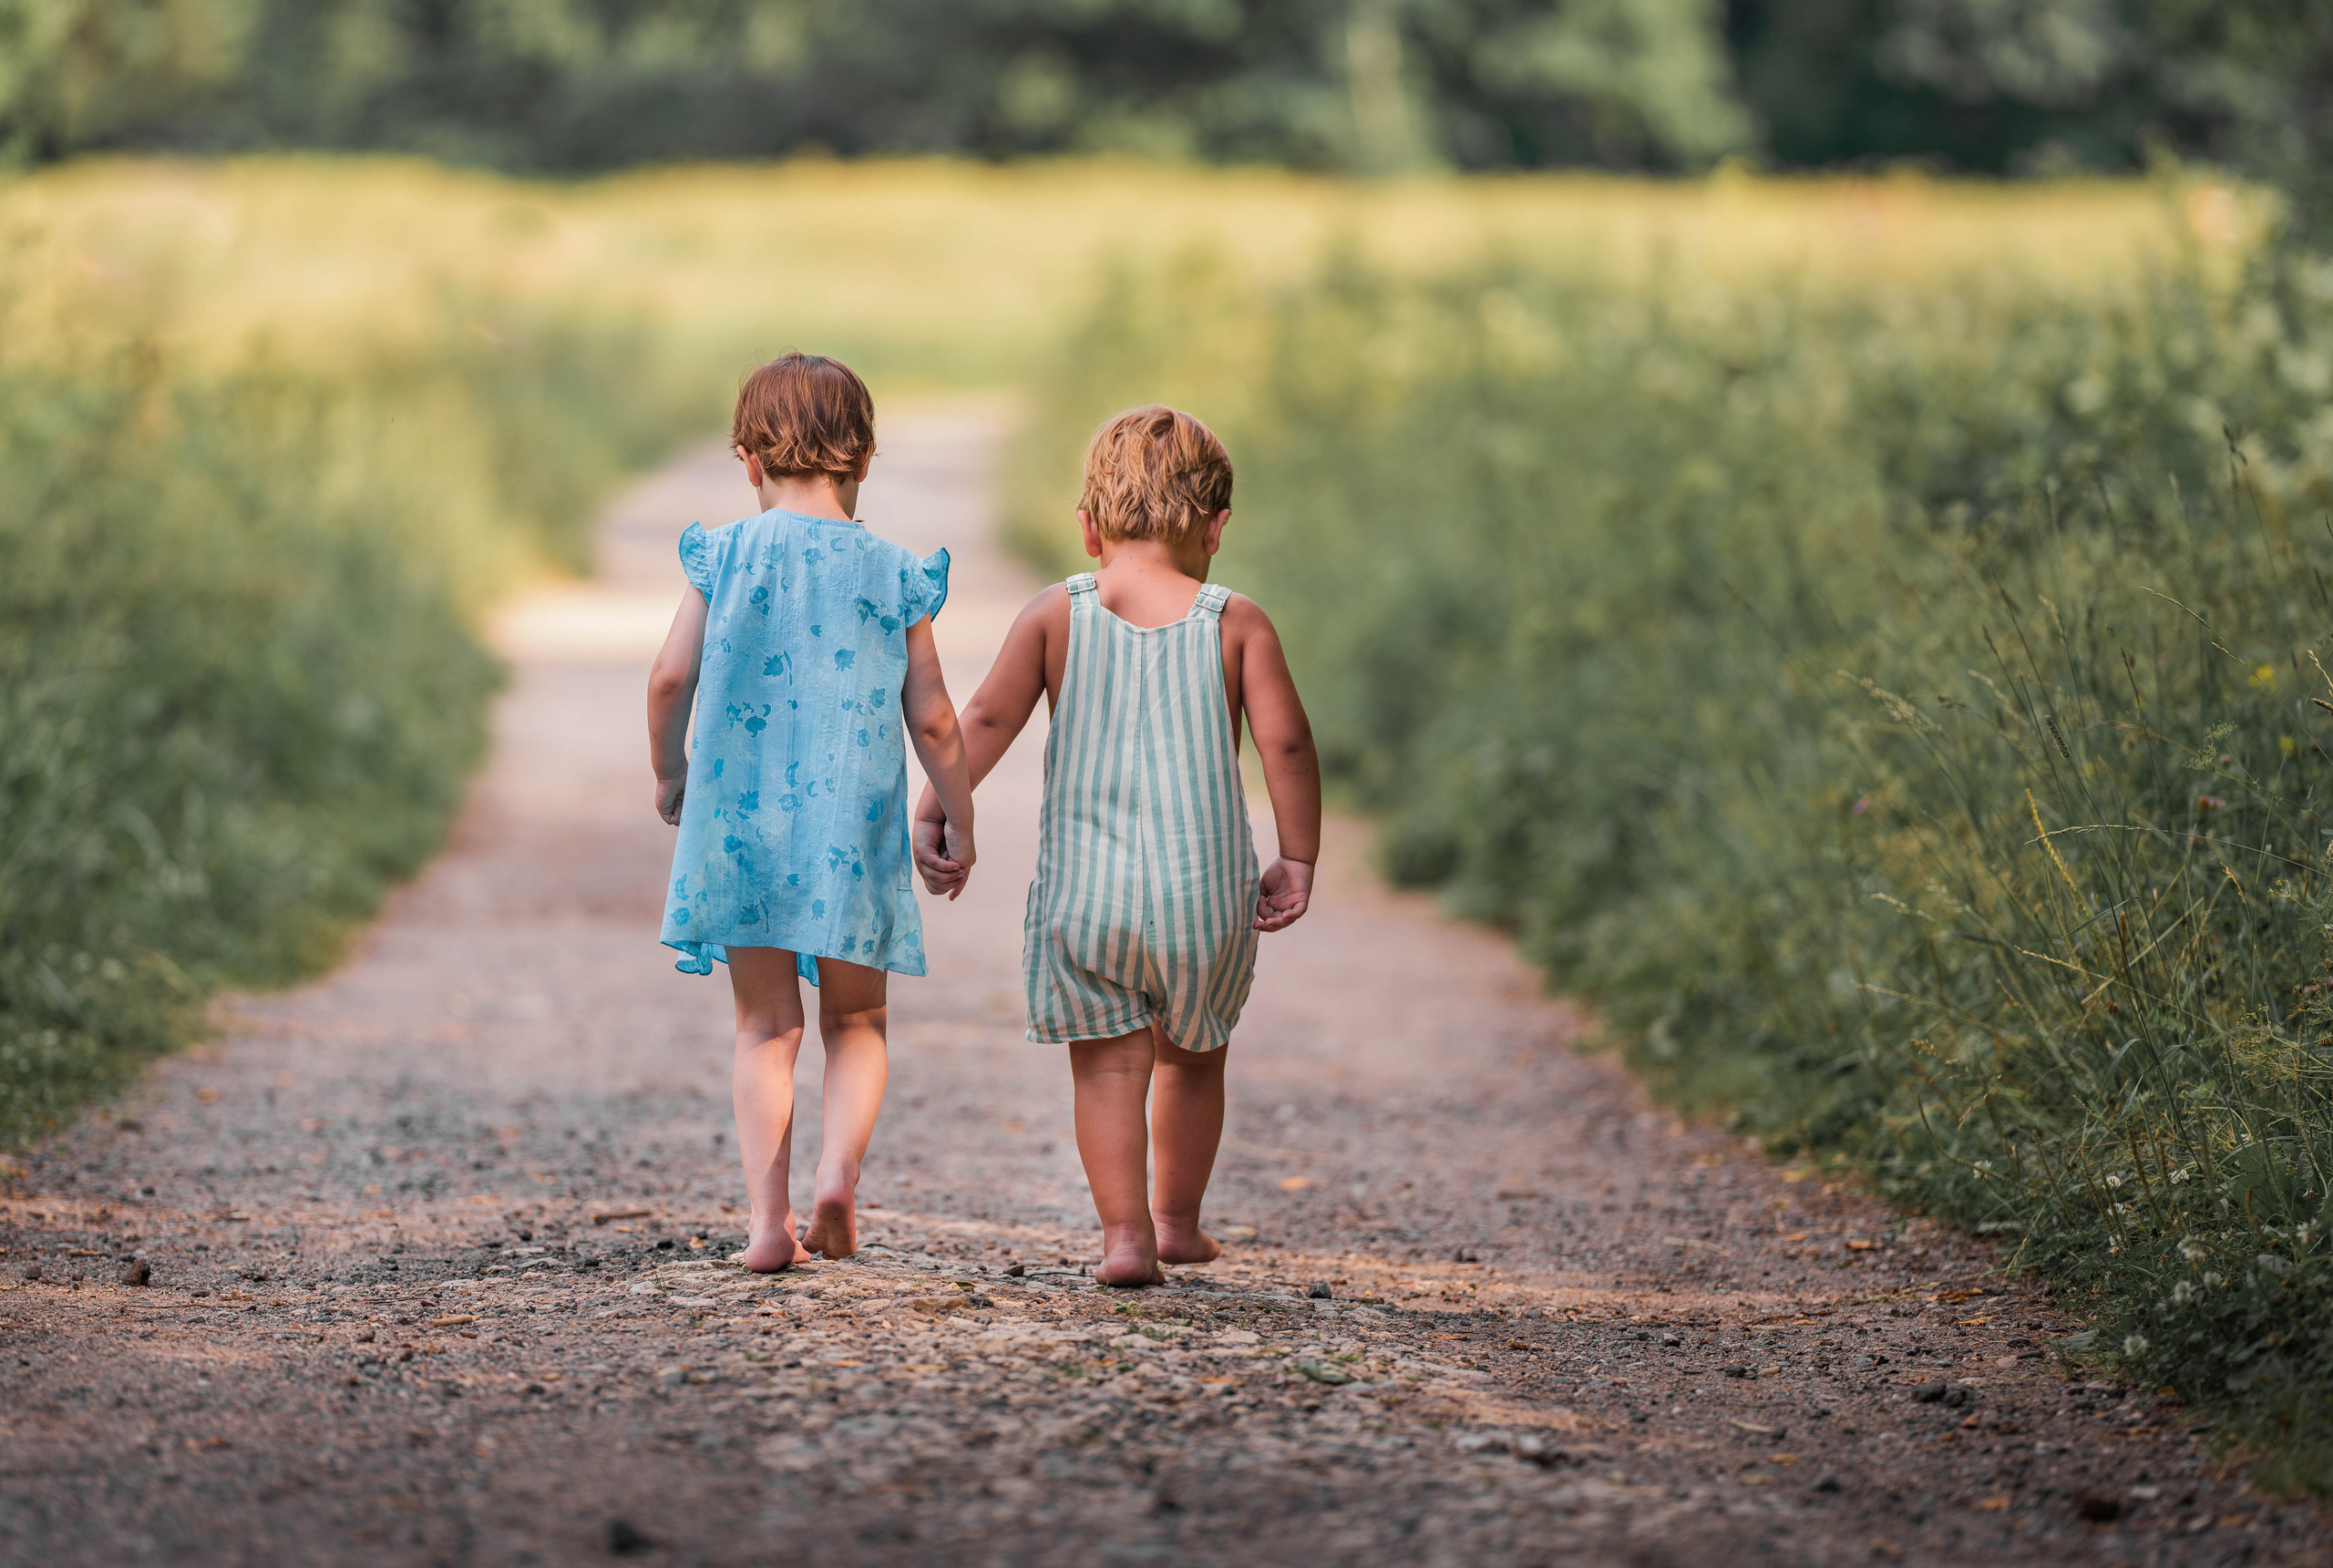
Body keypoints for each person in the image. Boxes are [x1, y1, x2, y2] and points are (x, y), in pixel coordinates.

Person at [912, 404, 1320, 1286]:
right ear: (1216, 529)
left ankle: (1124, 1237)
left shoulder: (1057, 612)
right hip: (1202, 899)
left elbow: (982, 718)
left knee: (1106, 1071)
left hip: (1085, 899)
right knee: (1192, 1058)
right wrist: (1298, 853)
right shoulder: (1236, 621)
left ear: (1089, 527)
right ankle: (1177, 1222)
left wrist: (940, 805)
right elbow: (1287, 743)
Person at [647, 353, 975, 1272]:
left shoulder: (722, 553)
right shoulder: (894, 571)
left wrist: (670, 773)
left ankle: (767, 1221)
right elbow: (938, 715)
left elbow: (670, 674)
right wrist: (958, 816)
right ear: (863, 460)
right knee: (857, 1022)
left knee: (765, 1026)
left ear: (748, 461)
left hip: (739, 830)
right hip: (850, 833)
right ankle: (838, 1176)